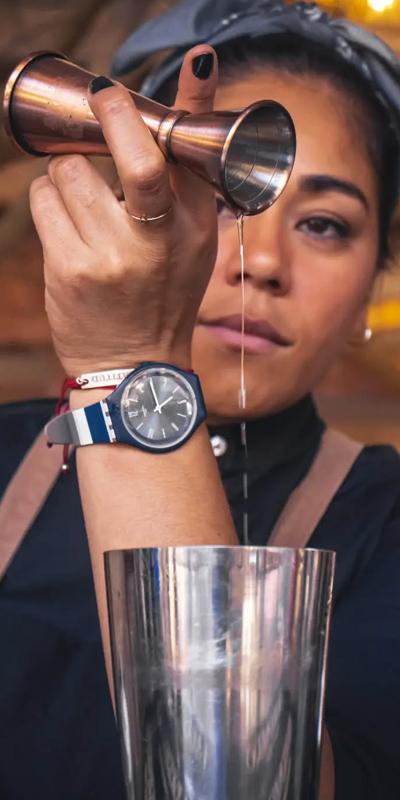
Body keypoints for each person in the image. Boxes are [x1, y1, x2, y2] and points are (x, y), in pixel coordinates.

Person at [1, 0, 400, 797]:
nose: (263, 261)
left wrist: (130, 368)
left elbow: (230, 780)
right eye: (220, 196)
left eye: (324, 225)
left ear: (373, 290)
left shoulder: (384, 525)